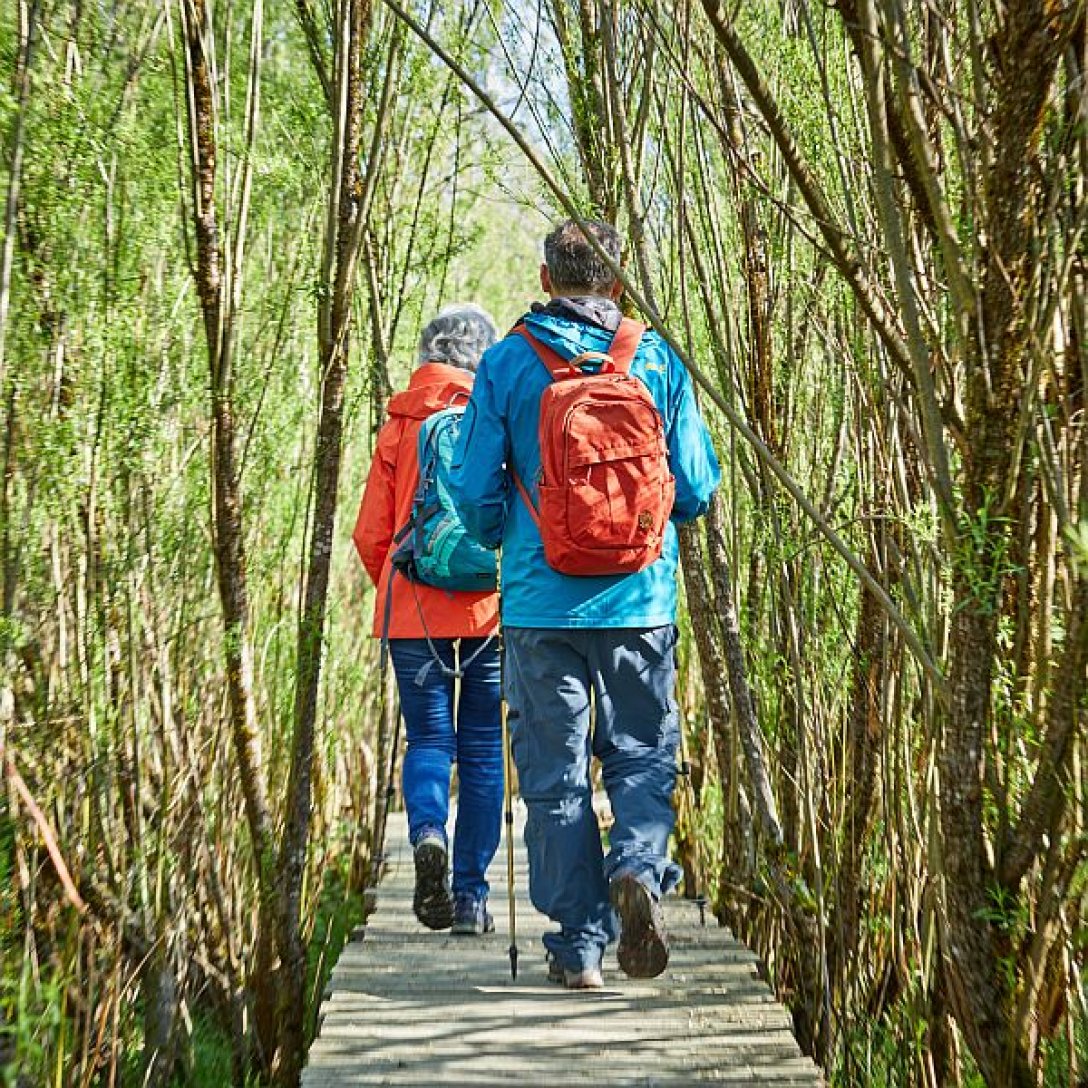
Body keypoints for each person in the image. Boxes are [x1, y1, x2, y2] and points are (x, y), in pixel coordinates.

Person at [449, 220, 720, 988]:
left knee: (555, 774)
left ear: (545, 279)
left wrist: (506, 537)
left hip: (540, 607)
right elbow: (696, 489)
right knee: (643, 752)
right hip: (640, 602)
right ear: (619, 282)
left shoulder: (507, 362)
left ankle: (579, 949)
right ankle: (636, 864)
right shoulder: (657, 358)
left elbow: (472, 491)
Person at [353, 303, 503, 936]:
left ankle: (427, 833)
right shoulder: (496, 418)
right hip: (489, 610)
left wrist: (396, 588)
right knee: (483, 747)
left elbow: (370, 533)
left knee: (430, 740)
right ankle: (469, 898)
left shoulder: (399, 423)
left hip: (412, 610)